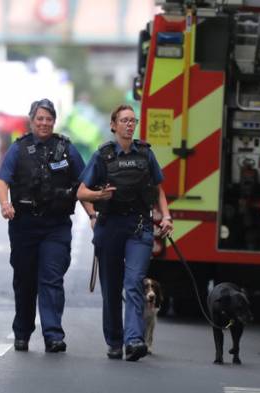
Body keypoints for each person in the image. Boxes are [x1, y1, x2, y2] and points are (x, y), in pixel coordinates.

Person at [0, 98, 96, 353]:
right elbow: (1, 180)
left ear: (54, 121)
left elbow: (83, 187)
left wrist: (93, 216)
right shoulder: (18, 149)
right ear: (31, 120)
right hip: (24, 225)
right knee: (25, 281)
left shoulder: (66, 149)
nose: (44, 123)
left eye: (48, 119)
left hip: (56, 226)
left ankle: (53, 335)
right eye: (39, 118)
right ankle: (22, 331)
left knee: (51, 279)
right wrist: (4, 204)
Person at [76, 104, 173, 362]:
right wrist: (99, 197)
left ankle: (134, 340)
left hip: (139, 227)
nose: (130, 124)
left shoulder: (145, 154)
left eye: (133, 120)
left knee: (134, 282)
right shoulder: (103, 156)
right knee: (111, 288)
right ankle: (115, 342)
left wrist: (166, 216)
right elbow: (81, 191)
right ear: (113, 125)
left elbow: (159, 190)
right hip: (110, 227)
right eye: (124, 120)